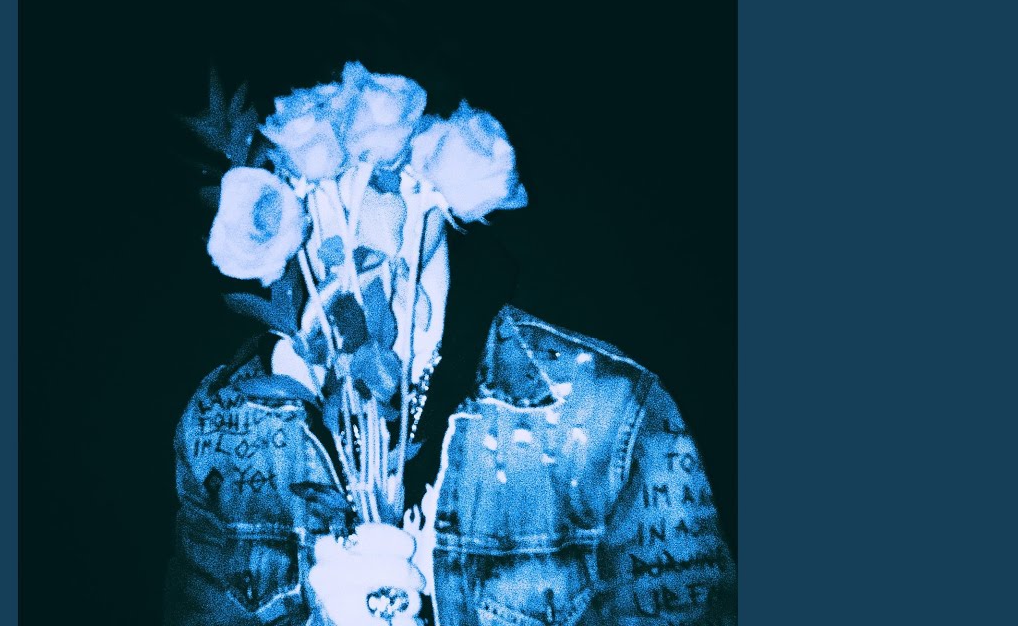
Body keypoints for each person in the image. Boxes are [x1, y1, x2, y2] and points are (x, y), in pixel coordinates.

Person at [165, 65, 736, 625]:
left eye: (367, 162)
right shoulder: (223, 426)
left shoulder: (608, 410)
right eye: (298, 174)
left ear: (433, 163)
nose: (334, 205)